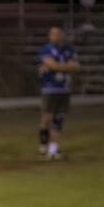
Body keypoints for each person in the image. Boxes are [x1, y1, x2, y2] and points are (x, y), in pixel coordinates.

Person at [37, 26, 80, 160]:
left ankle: (53, 150)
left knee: (59, 119)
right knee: (47, 118)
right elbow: (52, 65)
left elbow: (76, 66)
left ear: (62, 35)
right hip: (49, 89)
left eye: (58, 33)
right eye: (52, 34)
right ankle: (43, 145)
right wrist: (65, 67)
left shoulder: (69, 49)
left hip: (64, 89)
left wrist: (56, 67)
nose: (55, 36)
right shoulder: (46, 49)